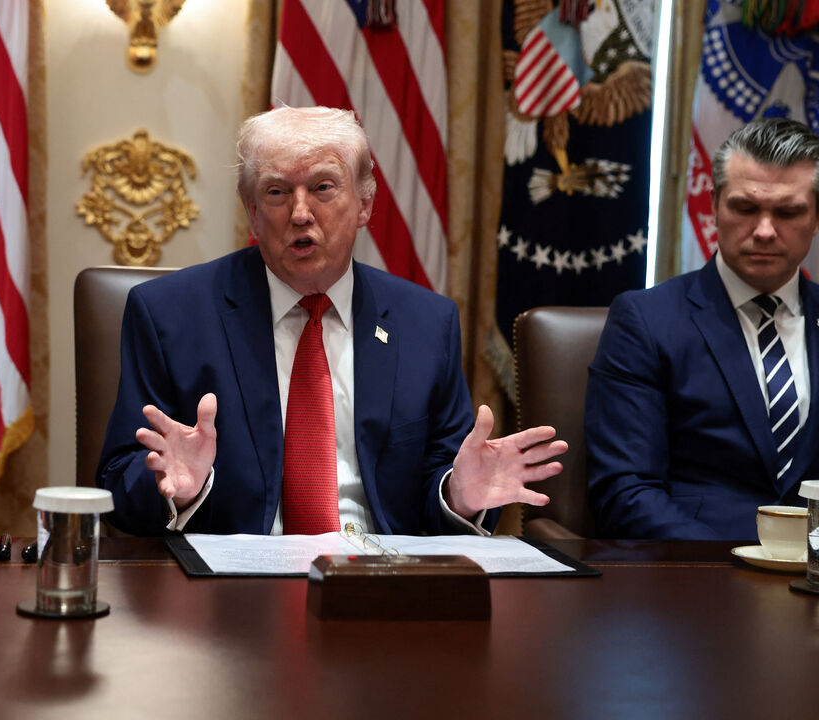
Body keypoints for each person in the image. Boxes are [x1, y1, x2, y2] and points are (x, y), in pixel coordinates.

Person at [97, 106, 566, 536]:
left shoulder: (427, 322)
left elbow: (437, 479)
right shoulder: (168, 315)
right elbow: (119, 481)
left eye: (322, 187)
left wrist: (456, 498)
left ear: (364, 204)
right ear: (253, 214)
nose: (300, 214)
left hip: (380, 585)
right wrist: (179, 489)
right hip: (230, 594)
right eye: (277, 192)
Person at [586, 117, 819, 539]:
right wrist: (743, 567)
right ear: (714, 204)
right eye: (744, 208)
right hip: (697, 577)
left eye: (788, 211)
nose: (764, 230)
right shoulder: (646, 321)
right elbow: (625, 493)